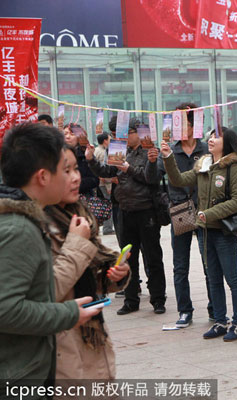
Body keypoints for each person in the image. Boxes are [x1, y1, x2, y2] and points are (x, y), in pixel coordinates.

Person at [0, 123, 99, 384]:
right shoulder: (18, 228)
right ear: (43, 176)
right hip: (17, 378)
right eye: (62, 170)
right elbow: (5, 309)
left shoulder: (24, 218)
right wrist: (67, 315)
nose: (70, 178)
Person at [45, 145, 130, 379]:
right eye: (66, 171)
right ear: (42, 177)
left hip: (94, 338)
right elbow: (47, 291)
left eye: (76, 169)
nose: (76, 177)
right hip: (62, 346)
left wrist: (114, 273)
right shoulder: (36, 225)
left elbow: (92, 271)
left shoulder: (80, 216)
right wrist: (75, 244)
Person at [161, 127, 237, 341]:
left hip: (224, 233)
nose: (210, 139)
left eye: (216, 136)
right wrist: (168, 158)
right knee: (213, 279)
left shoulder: (233, 168)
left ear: (226, 142)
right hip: (205, 232)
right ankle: (219, 321)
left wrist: (207, 214)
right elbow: (179, 180)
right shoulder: (203, 165)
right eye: (210, 136)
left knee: (232, 278)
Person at [85, 119, 167, 315]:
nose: (121, 137)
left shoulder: (151, 151)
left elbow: (151, 178)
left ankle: (158, 299)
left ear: (138, 133)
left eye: (126, 132)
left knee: (153, 257)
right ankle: (131, 299)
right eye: (116, 133)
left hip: (146, 211)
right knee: (128, 258)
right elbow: (106, 171)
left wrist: (128, 168)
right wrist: (91, 160)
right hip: (125, 210)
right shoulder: (120, 150)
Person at [145, 102, 213, 328]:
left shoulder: (206, 150)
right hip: (180, 211)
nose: (179, 129)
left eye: (184, 124)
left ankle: (215, 307)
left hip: (203, 211)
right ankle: (185, 311)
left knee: (208, 262)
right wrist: (153, 161)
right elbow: (153, 180)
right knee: (180, 265)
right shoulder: (170, 150)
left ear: (194, 127)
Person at [64, 123, 99, 197]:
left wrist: (73, 185)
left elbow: (95, 180)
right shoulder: (57, 154)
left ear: (79, 137)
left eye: (72, 134)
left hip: (83, 198)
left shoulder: (85, 155)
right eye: (65, 133)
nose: (67, 137)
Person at [95, 133, 115, 235]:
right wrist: (108, 186)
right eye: (109, 139)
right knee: (108, 205)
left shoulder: (96, 150)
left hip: (99, 184)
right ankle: (108, 228)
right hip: (105, 184)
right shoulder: (103, 153)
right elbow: (104, 173)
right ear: (105, 141)